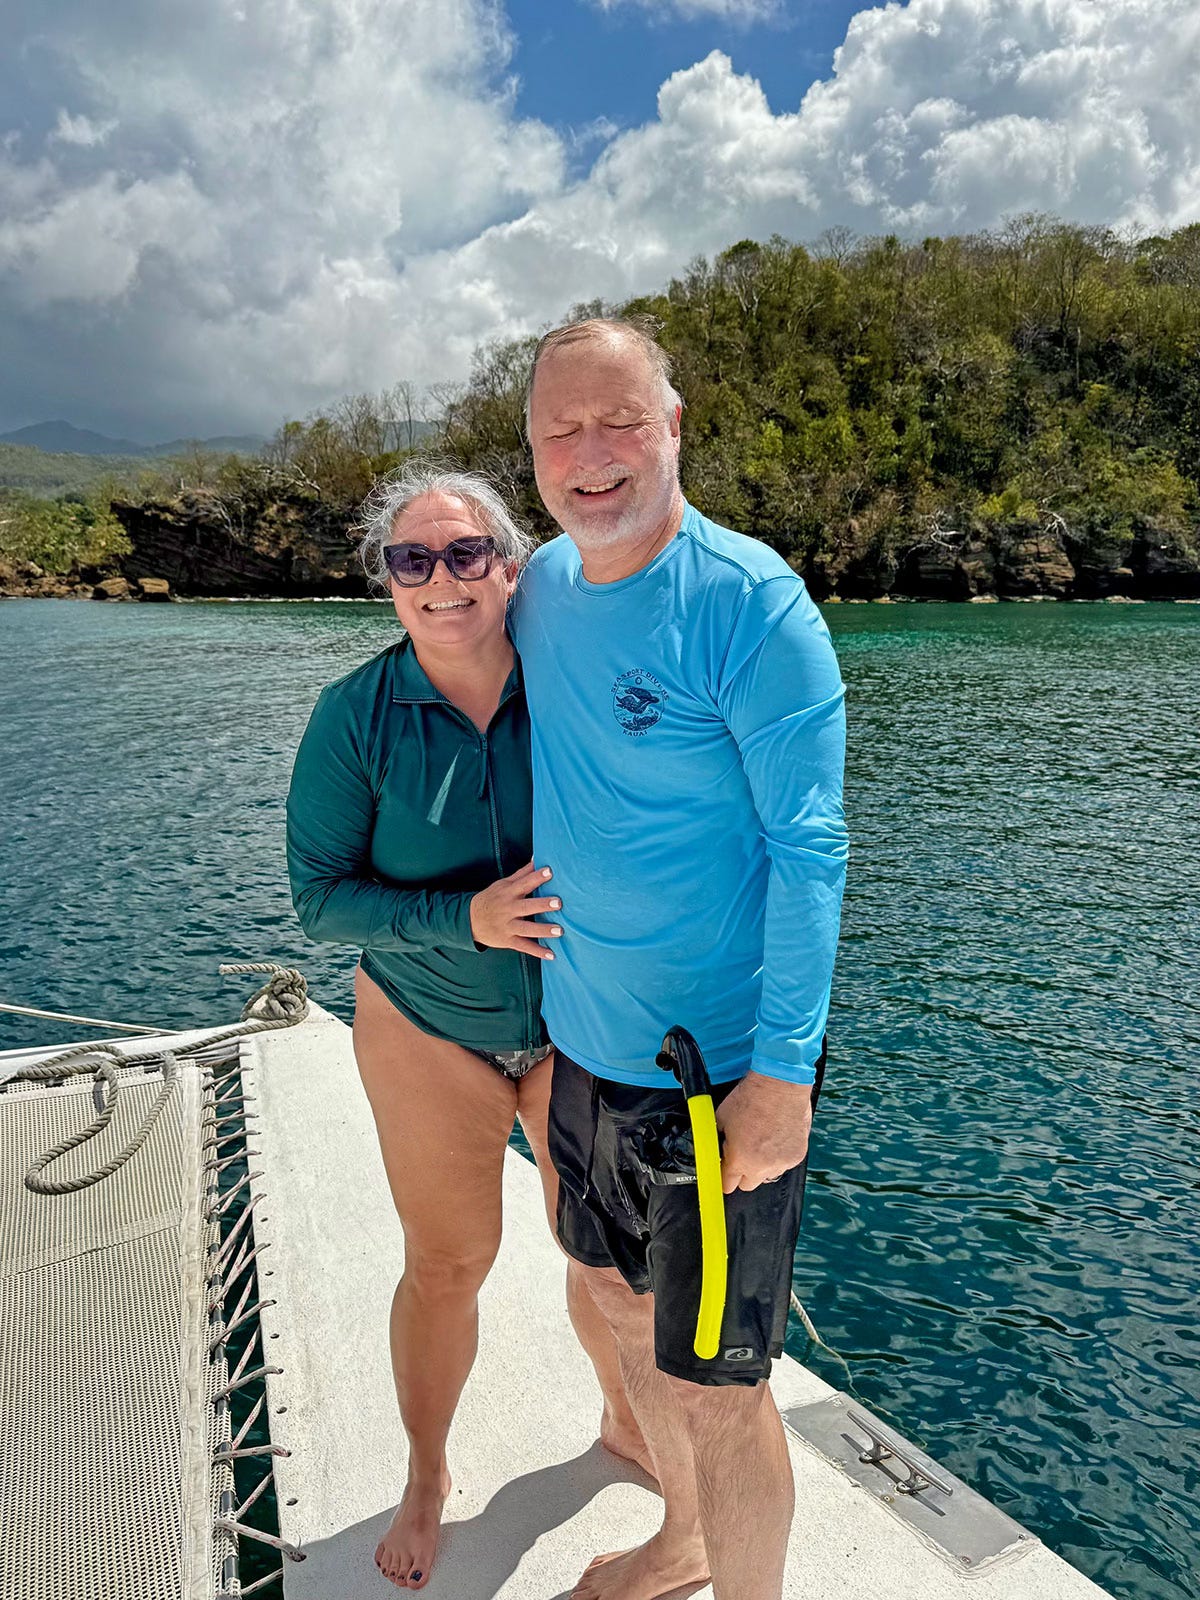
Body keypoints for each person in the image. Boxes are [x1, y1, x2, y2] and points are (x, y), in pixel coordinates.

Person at [514, 318, 848, 1600]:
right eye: (561, 430)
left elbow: (812, 855)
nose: (591, 455)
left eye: (619, 422)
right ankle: (682, 1542)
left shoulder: (750, 604)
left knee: (723, 1391)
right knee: (601, 1293)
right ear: (534, 447)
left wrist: (786, 1076)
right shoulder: (541, 586)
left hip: (716, 1081)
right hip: (585, 1053)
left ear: (673, 423)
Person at [285, 465, 640, 1593]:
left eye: (466, 553)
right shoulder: (357, 717)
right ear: (387, 582)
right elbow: (320, 897)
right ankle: (428, 1472)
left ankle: (626, 1421)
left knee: (605, 1265)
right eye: (411, 559)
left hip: (578, 1027)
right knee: (448, 1263)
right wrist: (467, 918)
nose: (441, 579)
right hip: (428, 1029)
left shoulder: (578, 685)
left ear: (513, 564)